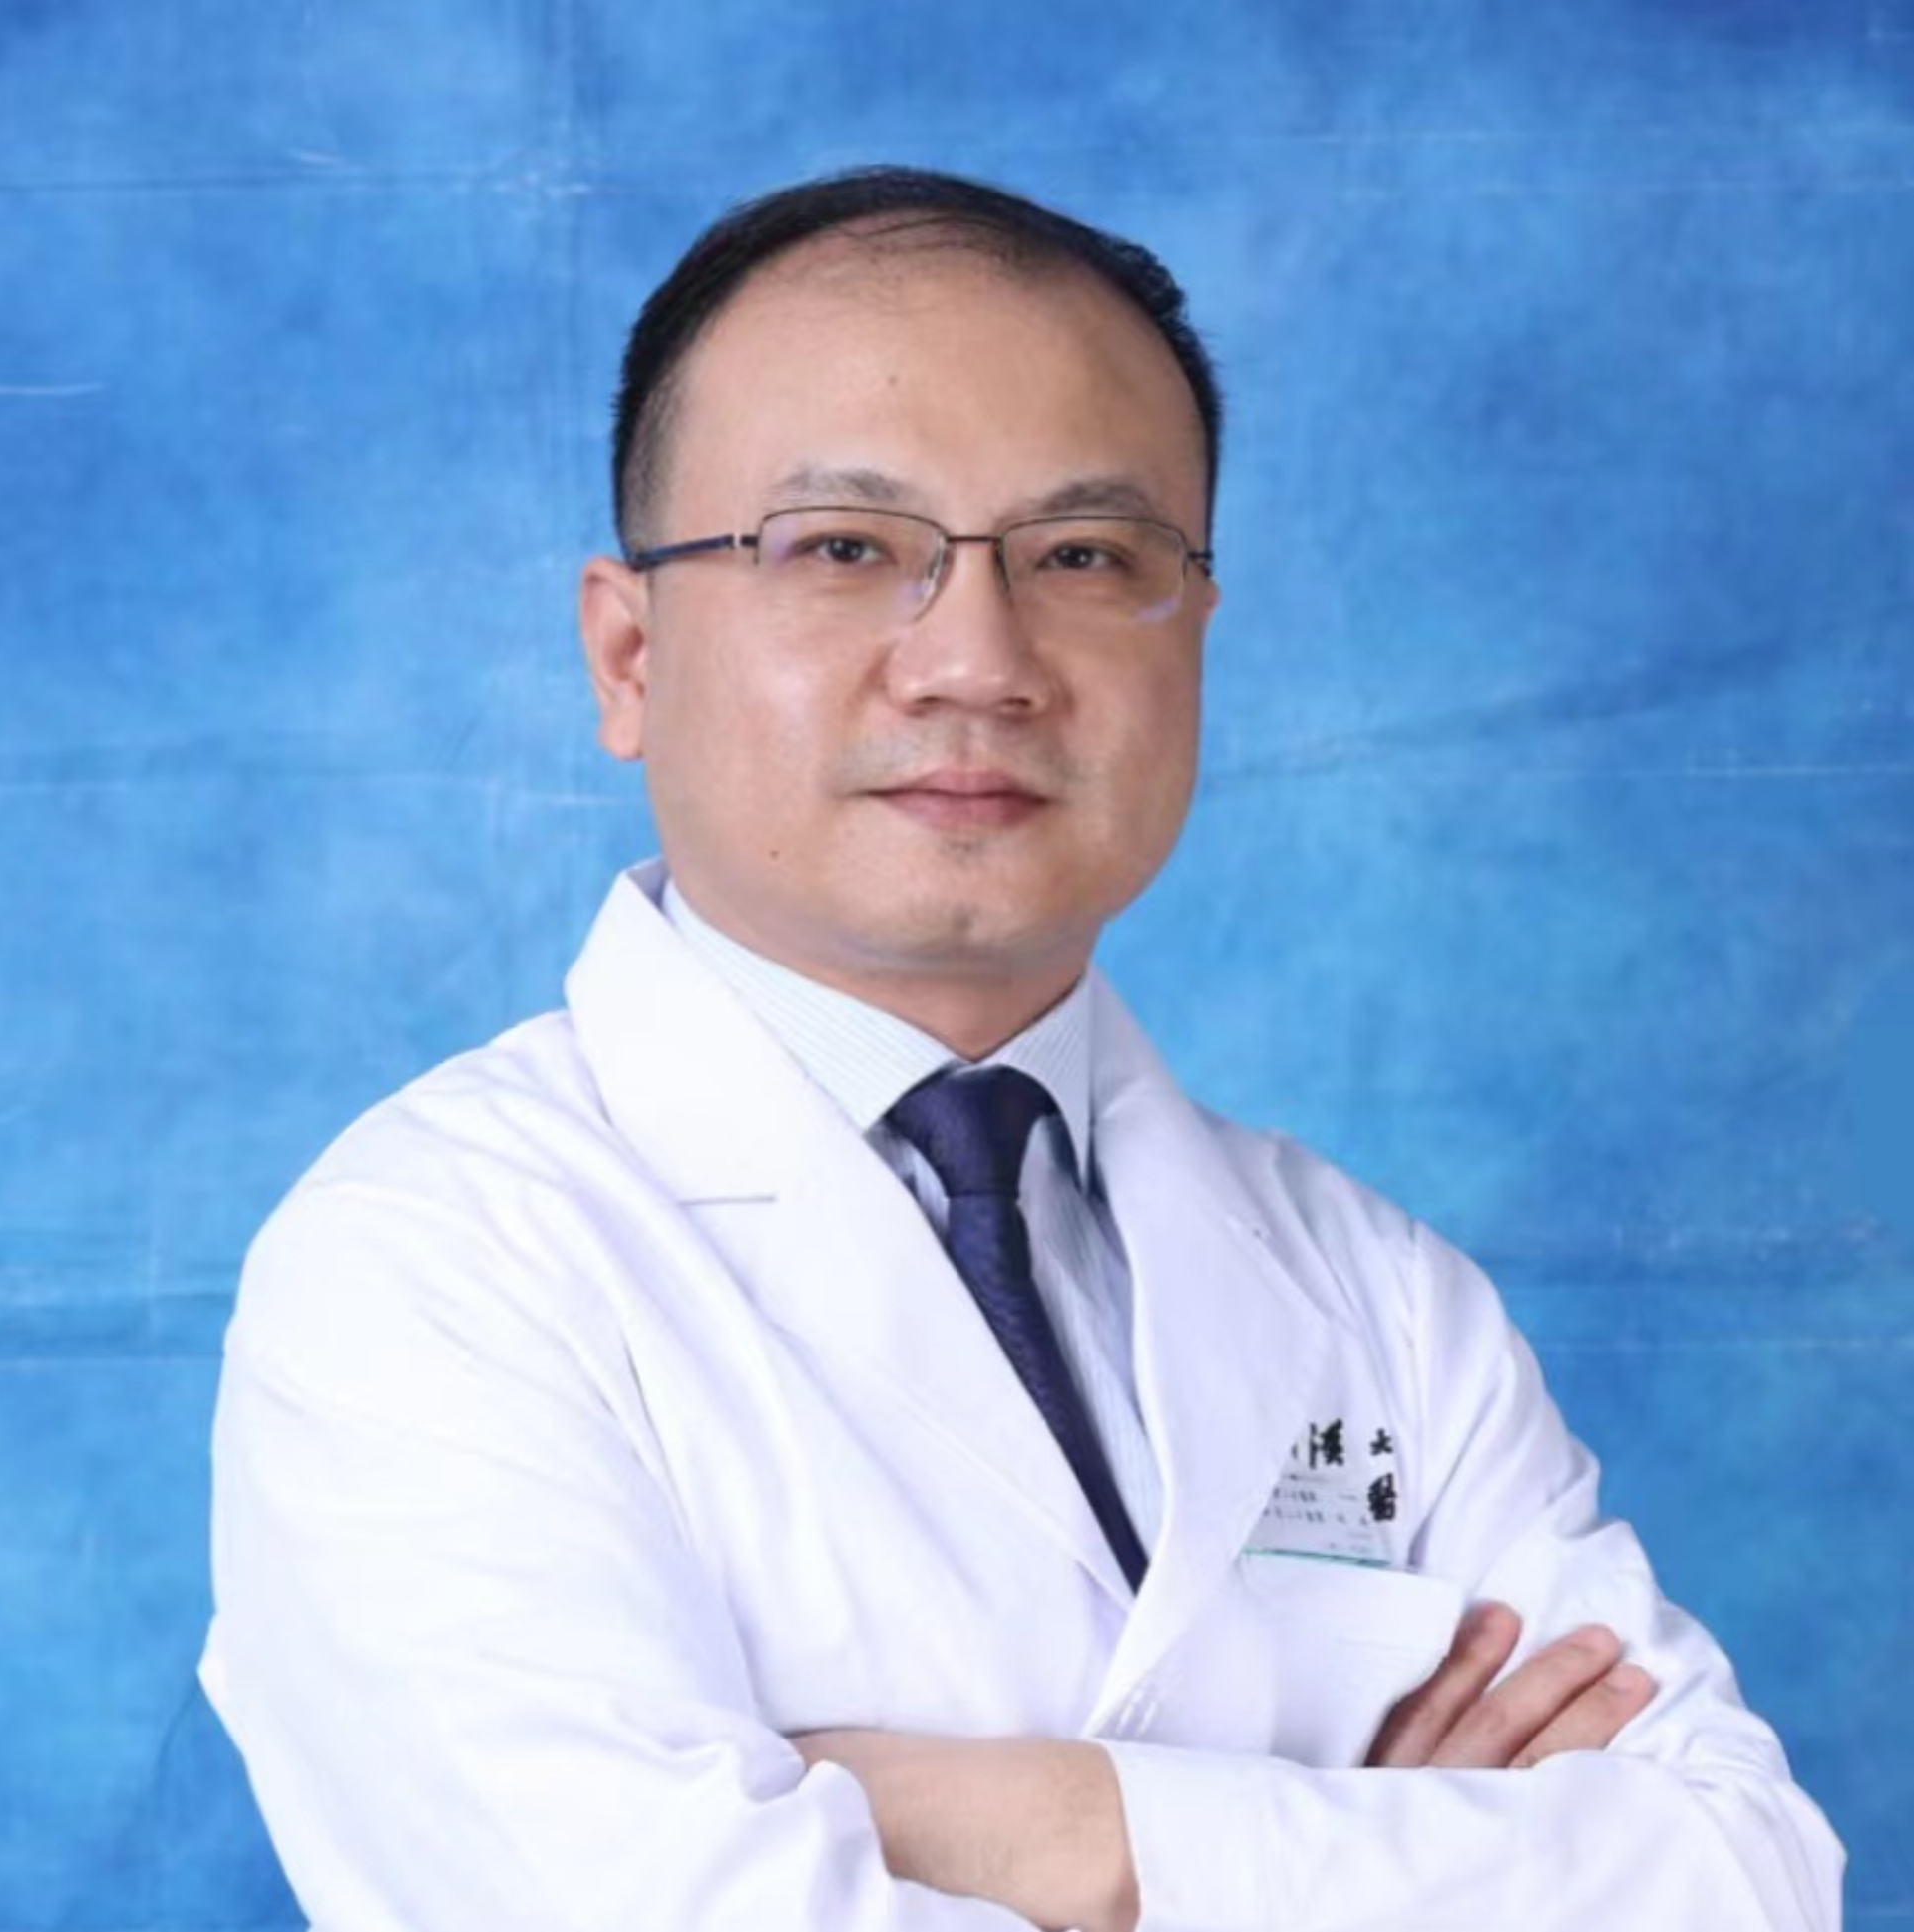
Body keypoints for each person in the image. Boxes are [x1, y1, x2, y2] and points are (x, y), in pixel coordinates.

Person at [200, 167, 1842, 1932]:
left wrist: (1071, 1829)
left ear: (1192, 633)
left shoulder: (1379, 1294)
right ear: (627, 653)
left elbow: (1745, 1876)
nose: (976, 662)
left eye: (1083, 557)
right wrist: (1374, 1844)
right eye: (843, 547)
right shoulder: (432, 1267)